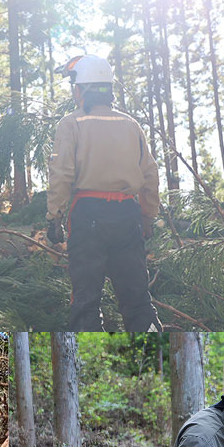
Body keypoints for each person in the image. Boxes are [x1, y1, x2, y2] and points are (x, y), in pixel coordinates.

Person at [47, 55, 161, 332]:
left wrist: (54, 217)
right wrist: (147, 216)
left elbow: (62, 173)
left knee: (86, 299)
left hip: (88, 215)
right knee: (137, 298)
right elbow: (150, 174)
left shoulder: (71, 123)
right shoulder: (130, 124)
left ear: (82, 89)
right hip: (127, 214)